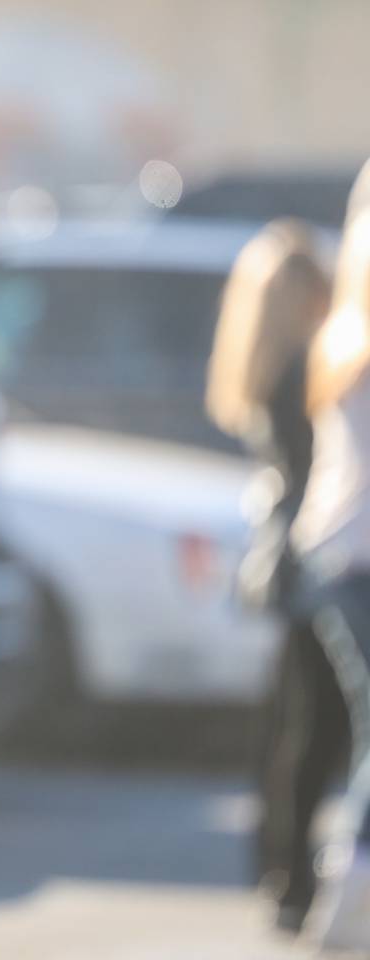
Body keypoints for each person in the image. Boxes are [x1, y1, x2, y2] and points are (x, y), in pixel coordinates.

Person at [206, 218, 343, 932]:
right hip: (319, 554)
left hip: (288, 557)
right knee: (316, 724)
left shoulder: (264, 366)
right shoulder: (305, 373)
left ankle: (278, 870)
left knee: (292, 720)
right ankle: (292, 878)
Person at [295, 159, 370, 952]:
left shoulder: (346, 323)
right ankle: (345, 906)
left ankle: (345, 900)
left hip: (336, 555)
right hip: (354, 560)